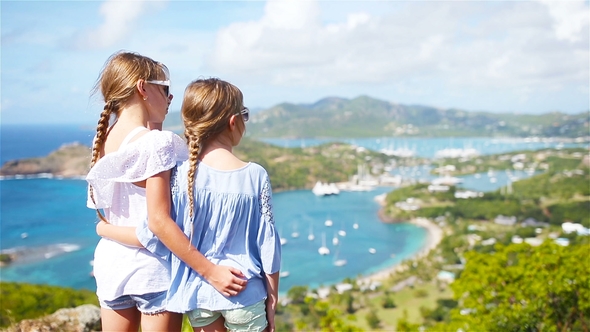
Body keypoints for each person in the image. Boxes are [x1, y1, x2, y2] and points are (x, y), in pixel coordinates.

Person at [86, 52, 246, 332]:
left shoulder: (104, 140)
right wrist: (211, 272)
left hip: (112, 268)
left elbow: (117, 214)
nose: (170, 99)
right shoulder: (158, 143)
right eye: (165, 89)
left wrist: (103, 230)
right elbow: (159, 222)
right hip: (153, 272)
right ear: (143, 88)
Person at [138, 78, 282, 332]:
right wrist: (272, 298)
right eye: (244, 115)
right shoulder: (255, 175)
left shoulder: (176, 174)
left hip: (199, 294)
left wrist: (106, 230)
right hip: (244, 293)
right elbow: (267, 245)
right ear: (233, 122)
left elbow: (156, 228)